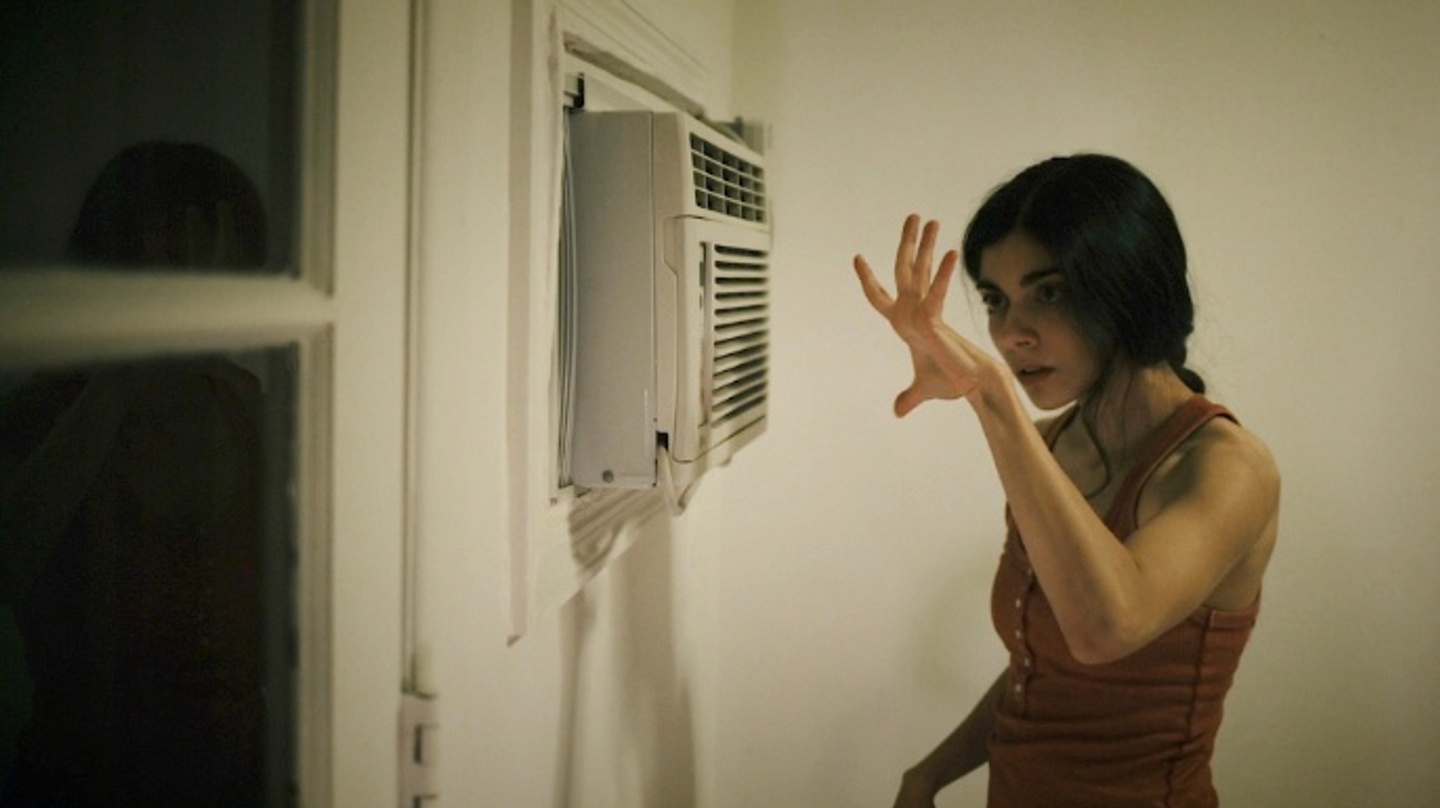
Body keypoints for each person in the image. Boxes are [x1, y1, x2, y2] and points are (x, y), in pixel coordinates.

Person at [852, 154, 1280, 808]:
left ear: (1127, 287)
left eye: (1047, 292)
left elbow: (1105, 628)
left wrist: (991, 397)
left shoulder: (1227, 466)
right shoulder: (1056, 444)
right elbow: (1040, 672)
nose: (1009, 334)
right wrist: (930, 773)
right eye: (995, 300)